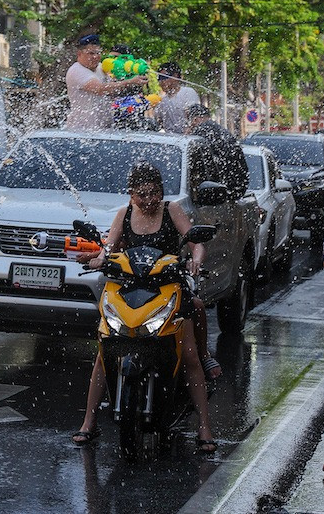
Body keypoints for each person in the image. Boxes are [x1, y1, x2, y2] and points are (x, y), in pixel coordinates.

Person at [72, 163, 217, 453]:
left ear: (161, 192)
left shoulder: (171, 209)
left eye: (153, 193)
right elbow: (108, 247)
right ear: (130, 195)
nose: (148, 200)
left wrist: (196, 260)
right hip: (129, 290)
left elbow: (194, 240)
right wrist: (99, 259)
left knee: (188, 355)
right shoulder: (123, 214)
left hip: (168, 288)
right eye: (141, 195)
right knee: (104, 353)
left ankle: (204, 426)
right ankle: (89, 421)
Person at [64, 34, 147, 130]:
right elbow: (100, 89)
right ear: (79, 54)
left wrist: (132, 73)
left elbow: (113, 88)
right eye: (91, 53)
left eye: (98, 53)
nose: (95, 57)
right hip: (81, 130)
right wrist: (130, 81)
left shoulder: (100, 67)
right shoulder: (77, 70)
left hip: (103, 129)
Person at [186, 104, 249, 201]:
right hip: (234, 191)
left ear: (195, 119)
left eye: (189, 121)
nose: (189, 125)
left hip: (214, 195)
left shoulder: (201, 134)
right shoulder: (223, 132)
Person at [154, 62, 200, 134]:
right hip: (171, 139)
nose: (161, 82)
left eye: (164, 77)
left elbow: (194, 117)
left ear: (175, 77)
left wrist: (186, 133)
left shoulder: (187, 92)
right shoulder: (163, 100)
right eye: (159, 78)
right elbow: (159, 122)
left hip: (187, 138)